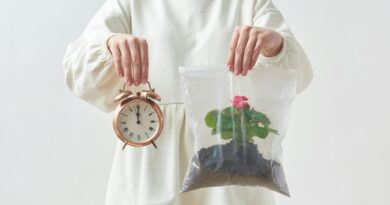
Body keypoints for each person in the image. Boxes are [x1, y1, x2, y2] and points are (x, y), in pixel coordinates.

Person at [62, 0, 313, 204]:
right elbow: (78, 72)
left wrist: (275, 46)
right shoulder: (130, 4)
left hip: (229, 175)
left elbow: (297, 77)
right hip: (150, 171)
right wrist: (109, 45)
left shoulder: (249, 4)